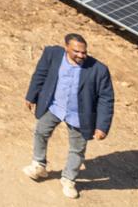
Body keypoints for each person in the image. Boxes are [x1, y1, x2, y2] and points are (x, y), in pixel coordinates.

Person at [23, 33, 115, 199]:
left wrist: (102, 126)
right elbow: (40, 75)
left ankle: (68, 179)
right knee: (41, 132)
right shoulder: (52, 54)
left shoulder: (99, 70)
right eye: (76, 51)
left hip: (80, 115)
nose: (81, 55)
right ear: (66, 48)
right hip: (54, 107)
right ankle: (38, 164)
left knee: (77, 149)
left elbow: (106, 99)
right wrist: (31, 96)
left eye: (84, 52)